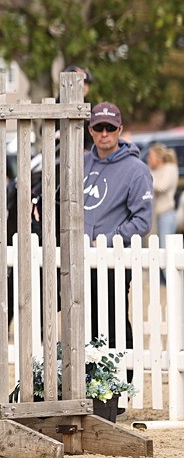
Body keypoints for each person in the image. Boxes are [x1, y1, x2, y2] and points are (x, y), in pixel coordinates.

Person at [83, 102, 153, 347]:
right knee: (84, 324)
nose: (104, 134)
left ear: (120, 129)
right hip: (79, 260)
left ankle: (125, 379)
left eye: (110, 128)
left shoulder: (137, 170)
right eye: (99, 127)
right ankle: (91, 381)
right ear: (91, 130)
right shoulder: (80, 164)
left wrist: (105, 240)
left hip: (115, 260)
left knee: (113, 322)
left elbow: (142, 221)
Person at [147, 143, 177, 242]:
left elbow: (161, 187)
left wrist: (147, 176)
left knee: (166, 250)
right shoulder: (153, 170)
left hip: (165, 215)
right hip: (153, 217)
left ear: (159, 158)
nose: (148, 159)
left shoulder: (170, 169)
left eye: (151, 156)